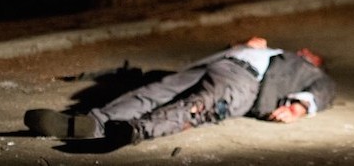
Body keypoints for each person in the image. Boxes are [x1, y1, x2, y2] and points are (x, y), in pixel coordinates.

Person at [24, 36, 336, 146]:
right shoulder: (269, 49)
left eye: (312, 55)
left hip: (246, 83)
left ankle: (135, 130)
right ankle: (88, 123)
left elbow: (326, 89)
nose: (305, 52)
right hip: (218, 65)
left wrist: (299, 106)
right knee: (155, 91)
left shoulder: (309, 70)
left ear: (316, 61)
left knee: (198, 105)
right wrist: (244, 44)